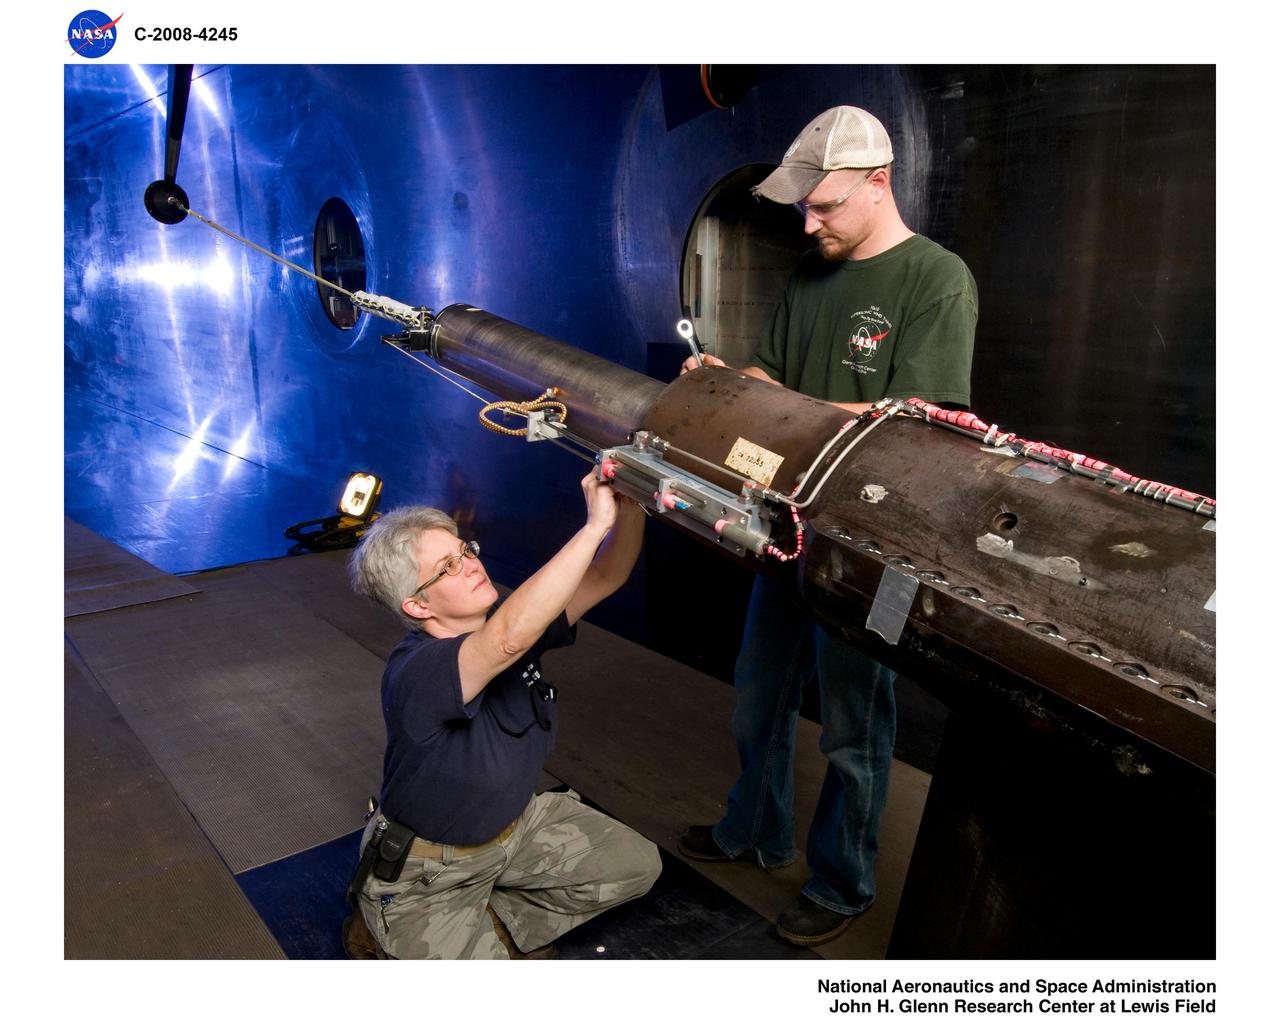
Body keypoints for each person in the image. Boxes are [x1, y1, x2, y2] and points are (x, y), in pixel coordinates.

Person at [677, 105, 978, 946]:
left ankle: (842, 882)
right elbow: (771, 378)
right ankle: (755, 830)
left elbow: (917, 430)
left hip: (870, 544)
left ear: (879, 183)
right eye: (803, 208)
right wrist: (725, 386)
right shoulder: (813, 273)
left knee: (853, 724)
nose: (809, 225)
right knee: (757, 697)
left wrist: (783, 410)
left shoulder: (937, 279)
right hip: (787, 524)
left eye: (824, 207)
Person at [347, 470, 660, 959]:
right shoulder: (417, 671)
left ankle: (490, 920)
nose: (471, 565)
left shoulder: (511, 624)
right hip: (432, 872)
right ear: (418, 605)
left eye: (465, 551)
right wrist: (594, 525)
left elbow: (607, 575)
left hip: (515, 828)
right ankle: (388, 924)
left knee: (637, 865)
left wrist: (632, 502)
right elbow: (506, 641)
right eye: (447, 567)